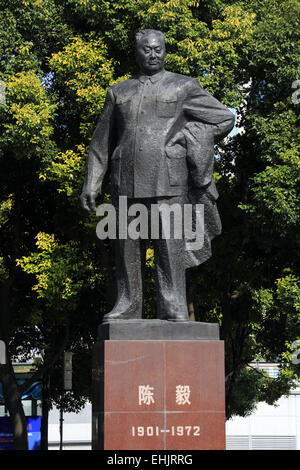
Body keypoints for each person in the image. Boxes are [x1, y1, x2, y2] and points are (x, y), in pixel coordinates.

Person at [80, 29, 235, 323]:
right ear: (137, 53)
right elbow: (101, 142)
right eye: (147, 50)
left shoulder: (183, 87)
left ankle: (173, 305)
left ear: (165, 51)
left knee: (169, 243)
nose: (153, 55)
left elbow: (225, 118)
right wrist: (92, 182)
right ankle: (127, 305)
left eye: (158, 50)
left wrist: (190, 137)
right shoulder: (119, 91)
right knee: (125, 245)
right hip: (125, 179)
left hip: (169, 177)